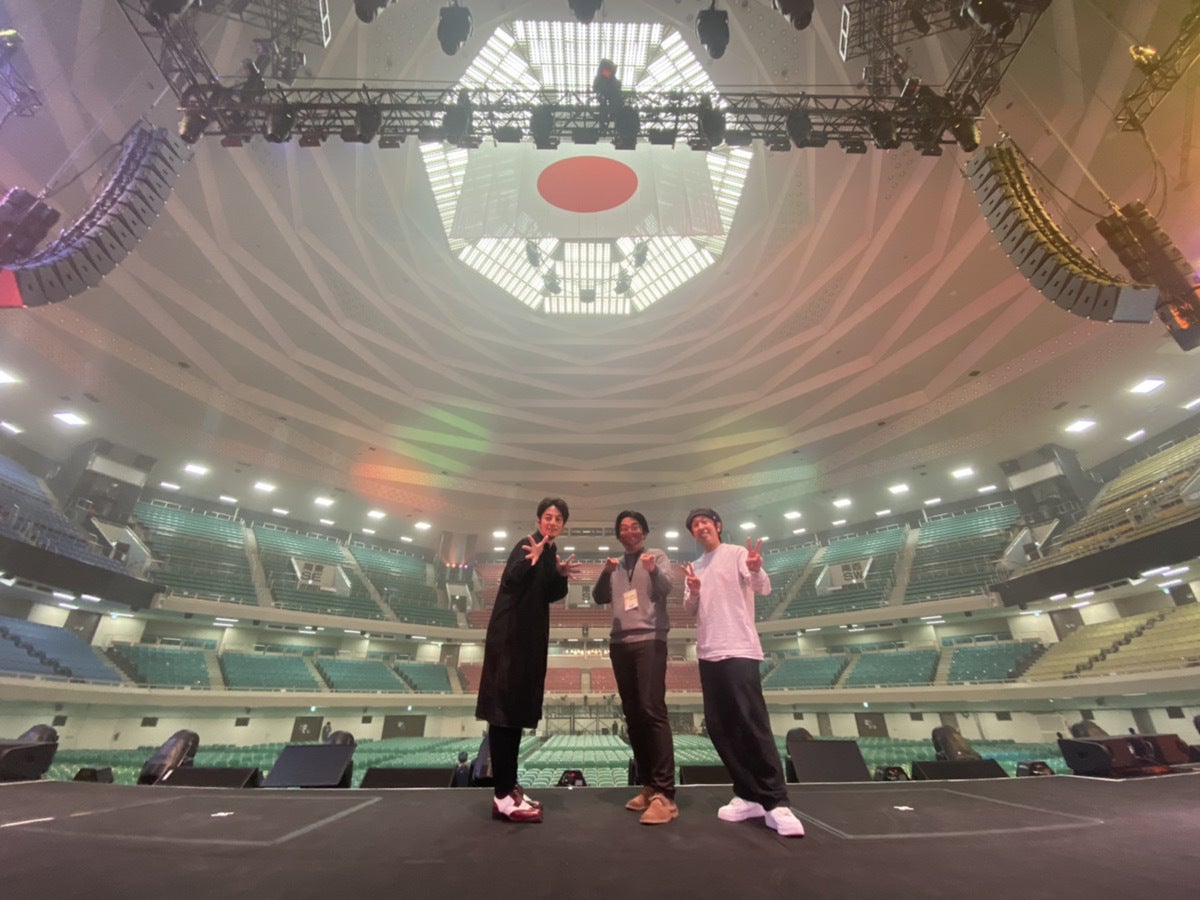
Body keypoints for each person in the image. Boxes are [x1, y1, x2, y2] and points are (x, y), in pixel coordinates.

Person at [682, 507, 805, 838]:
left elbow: (762, 587)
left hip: (739, 649)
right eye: (695, 525)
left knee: (752, 725)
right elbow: (690, 609)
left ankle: (776, 801)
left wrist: (755, 568)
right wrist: (694, 591)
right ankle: (747, 795)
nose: (700, 527)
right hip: (708, 653)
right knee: (721, 728)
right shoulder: (695, 567)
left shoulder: (737, 554)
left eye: (705, 522)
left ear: (718, 526)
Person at [475, 497, 579, 823]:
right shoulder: (527, 545)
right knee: (504, 715)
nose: (552, 522)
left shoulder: (549, 552)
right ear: (538, 520)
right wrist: (529, 561)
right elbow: (510, 580)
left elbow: (548, 594)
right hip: (510, 639)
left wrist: (559, 574)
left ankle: (510, 788)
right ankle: (503, 795)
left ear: (563, 524)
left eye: (558, 518)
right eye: (548, 516)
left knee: (515, 714)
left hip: (527, 642)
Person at [593, 510, 677, 825]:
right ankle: (648, 786)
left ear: (644, 531)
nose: (630, 531)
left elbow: (667, 589)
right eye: (624, 528)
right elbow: (599, 597)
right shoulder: (615, 565)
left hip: (650, 639)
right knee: (633, 715)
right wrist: (605, 572)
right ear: (619, 534)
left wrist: (653, 571)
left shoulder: (657, 556)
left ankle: (665, 794)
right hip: (620, 643)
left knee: (651, 710)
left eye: (636, 527)